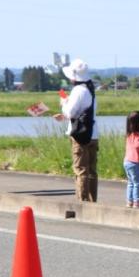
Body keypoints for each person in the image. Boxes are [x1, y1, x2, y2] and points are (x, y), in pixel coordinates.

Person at [53, 59, 98, 202]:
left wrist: (64, 103)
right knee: (91, 171)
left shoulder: (78, 90)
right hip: (93, 133)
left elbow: (71, 112)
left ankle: (82, 202)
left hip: (80, 135)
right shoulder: (90, 89)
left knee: (81, 169)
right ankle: (92, 201)